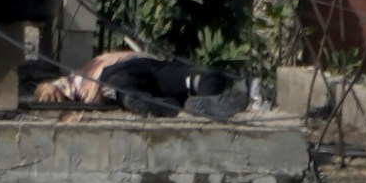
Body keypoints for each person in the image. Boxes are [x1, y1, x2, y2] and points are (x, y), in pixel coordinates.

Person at [36, 50, 235, 114]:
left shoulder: (84, 71)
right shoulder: (78, 81)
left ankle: (208, 103)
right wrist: (47, 90)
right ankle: (168, 107)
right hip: (114, 75)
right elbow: (48, 88)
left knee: (208, 77)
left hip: (151, 66)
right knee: (124, 89)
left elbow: (47, 85)